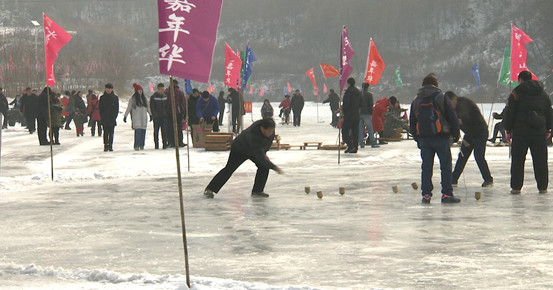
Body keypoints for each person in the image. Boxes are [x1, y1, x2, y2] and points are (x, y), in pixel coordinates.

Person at [409, 73, 461, 204]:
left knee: (426, 166)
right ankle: (446, 194)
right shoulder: (441, 97)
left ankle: (426, 195)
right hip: (441, 136)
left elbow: (412, 122)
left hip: (425, 138)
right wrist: (456, 134)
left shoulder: (416, 100)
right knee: (445, 166)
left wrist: (418, 139)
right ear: (436, 84)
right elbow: (452, 116)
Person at [203, 118, 284, 198]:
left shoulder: (269, 129)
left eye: (272, 130)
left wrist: (265, 152)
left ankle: (257, 190)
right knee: (229, 169)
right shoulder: (254, 135)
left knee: (264, 167)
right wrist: (274, 167)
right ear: (262, 129)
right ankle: (210, 189)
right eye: (269, 131)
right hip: (239, 149)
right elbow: (260, 157)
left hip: (254, 149)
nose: (271, 133)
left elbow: (267, 143)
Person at [503, 70, 553, 194]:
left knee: (518, 161)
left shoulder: (516, 94)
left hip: (521, 133)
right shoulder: (543, 94)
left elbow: (510, 113)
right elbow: (549, 112)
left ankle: (516, 187)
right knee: (541, 160)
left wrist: (508, 129)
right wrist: (548, 129)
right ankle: (542, 187)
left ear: (520, 80)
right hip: (539, 132)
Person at [446, 91, 494, 187]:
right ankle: (454, 178)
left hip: (480, 132)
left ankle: (488, 179)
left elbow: (475, 116)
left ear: (455, 99)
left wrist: (462, 120)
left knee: (478, 156)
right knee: (462, 156)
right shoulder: (452, 109)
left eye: (450, 103)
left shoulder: (465, 103)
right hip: (469, 134)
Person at [124, 83, 152, 150]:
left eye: (141, 90)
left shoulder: (144, 98)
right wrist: (125, 116)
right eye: (139, 90)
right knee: (138, 131)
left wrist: (151, 114)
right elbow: (129, 107)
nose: (140, 91)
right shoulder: (133, 99)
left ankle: (142, 145)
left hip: (143, 117)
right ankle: (137, 145)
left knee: (143, 132)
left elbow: (148, 107)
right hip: (136, 117)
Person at [341, 77, 362, 153]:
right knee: (355, 132)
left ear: (348, 83)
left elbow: (347, 103)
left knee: (345, 131)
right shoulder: (358, 92)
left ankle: (350, 145)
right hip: (356, 114)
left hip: (349, 115)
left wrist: (343, 110)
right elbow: (360, 103)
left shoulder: (348, 92)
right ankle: (355, 147)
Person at [165, 80, 186, 148]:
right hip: (178, 112)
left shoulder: (166, 92)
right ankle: (180, 142)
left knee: (170, 128)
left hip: (169, 112)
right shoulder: (180, 92)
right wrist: (184, 114)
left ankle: (171, 142)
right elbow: (183, 104)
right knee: (179, 128)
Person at [99, 83, 119, 152]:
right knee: (105, 132)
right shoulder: (102, 98)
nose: (108, 90)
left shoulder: (115, 98)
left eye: (109, 89)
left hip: (111, 118)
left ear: (112, 89)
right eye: (107, 88)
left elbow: (116, 109)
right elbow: (100, 108)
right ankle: (105, 145)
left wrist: (114, 116)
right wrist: (102, 116)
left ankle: (110, 145)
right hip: (104, 118)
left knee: (111, 132)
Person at [359, 83, 378, 148]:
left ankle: (361, 143)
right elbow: (370, 104)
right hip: (367, 113)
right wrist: (371, 112)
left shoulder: (359, 94)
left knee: (361, 129)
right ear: (368, 87)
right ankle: (373, 142)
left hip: (359, 113)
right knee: (370, 129)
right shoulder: (369, 95)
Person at [150, 83, 168, 149]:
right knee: (156, 131)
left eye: (163, 89)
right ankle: (156, 144)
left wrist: (166, 113)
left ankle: (165, 144)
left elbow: (167, 106)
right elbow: (152, 106)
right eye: (161, 89)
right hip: (157, 117)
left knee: (164, 131)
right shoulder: (153, 97)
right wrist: (154, 114)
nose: (162, 90)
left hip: (164, 116)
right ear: (158, 89)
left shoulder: (165, 96)